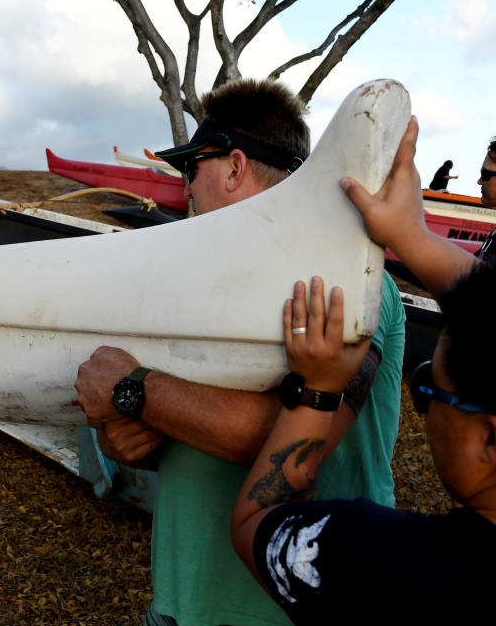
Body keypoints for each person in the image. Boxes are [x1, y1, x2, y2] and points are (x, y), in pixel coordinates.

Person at [74, 79, 406, 626]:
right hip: (182, 603)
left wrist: (135, 390)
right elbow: (169, 429)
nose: (184, 190)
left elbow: (297, 440)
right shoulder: (191, 287)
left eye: (190, 170)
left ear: (232, 167)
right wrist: (124, 438)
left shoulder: (347, 285)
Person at [230, 120, 496, 621]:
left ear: (492, 441)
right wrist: (409, 236)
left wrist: (318, 391)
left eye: (427, 388)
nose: (422, 397)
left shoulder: (383, 562)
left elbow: (254, 522)